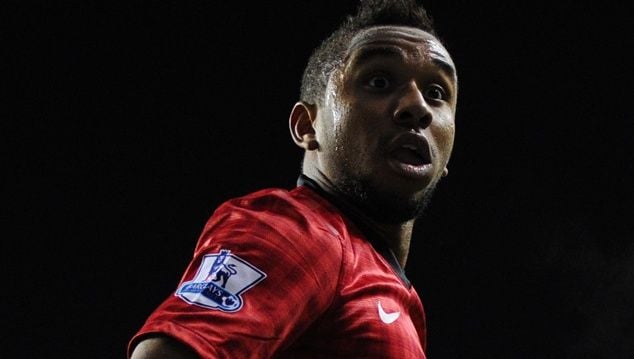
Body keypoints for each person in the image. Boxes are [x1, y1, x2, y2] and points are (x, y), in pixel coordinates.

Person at [128, 0, 457, 357]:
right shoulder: (301, 228)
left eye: (436, 93)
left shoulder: (383, 285)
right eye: (379, 81)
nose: (417, 106)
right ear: (307, 126)